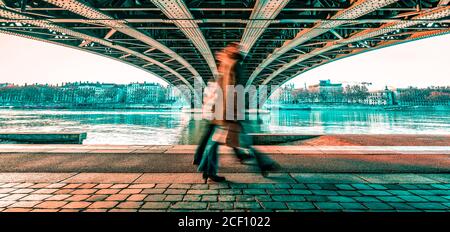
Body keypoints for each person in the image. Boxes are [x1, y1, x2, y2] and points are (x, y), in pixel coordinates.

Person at [197, 43, 279, 183]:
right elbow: (233, 89)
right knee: (243, 140)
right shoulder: (234, 64)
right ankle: (264, 163)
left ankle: (207, 169)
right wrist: (234, 113)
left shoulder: (225, 64)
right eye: (238, 48)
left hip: (222, 110)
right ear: (233, 51)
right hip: (229, 111)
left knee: (219, 141)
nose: (241, 49)